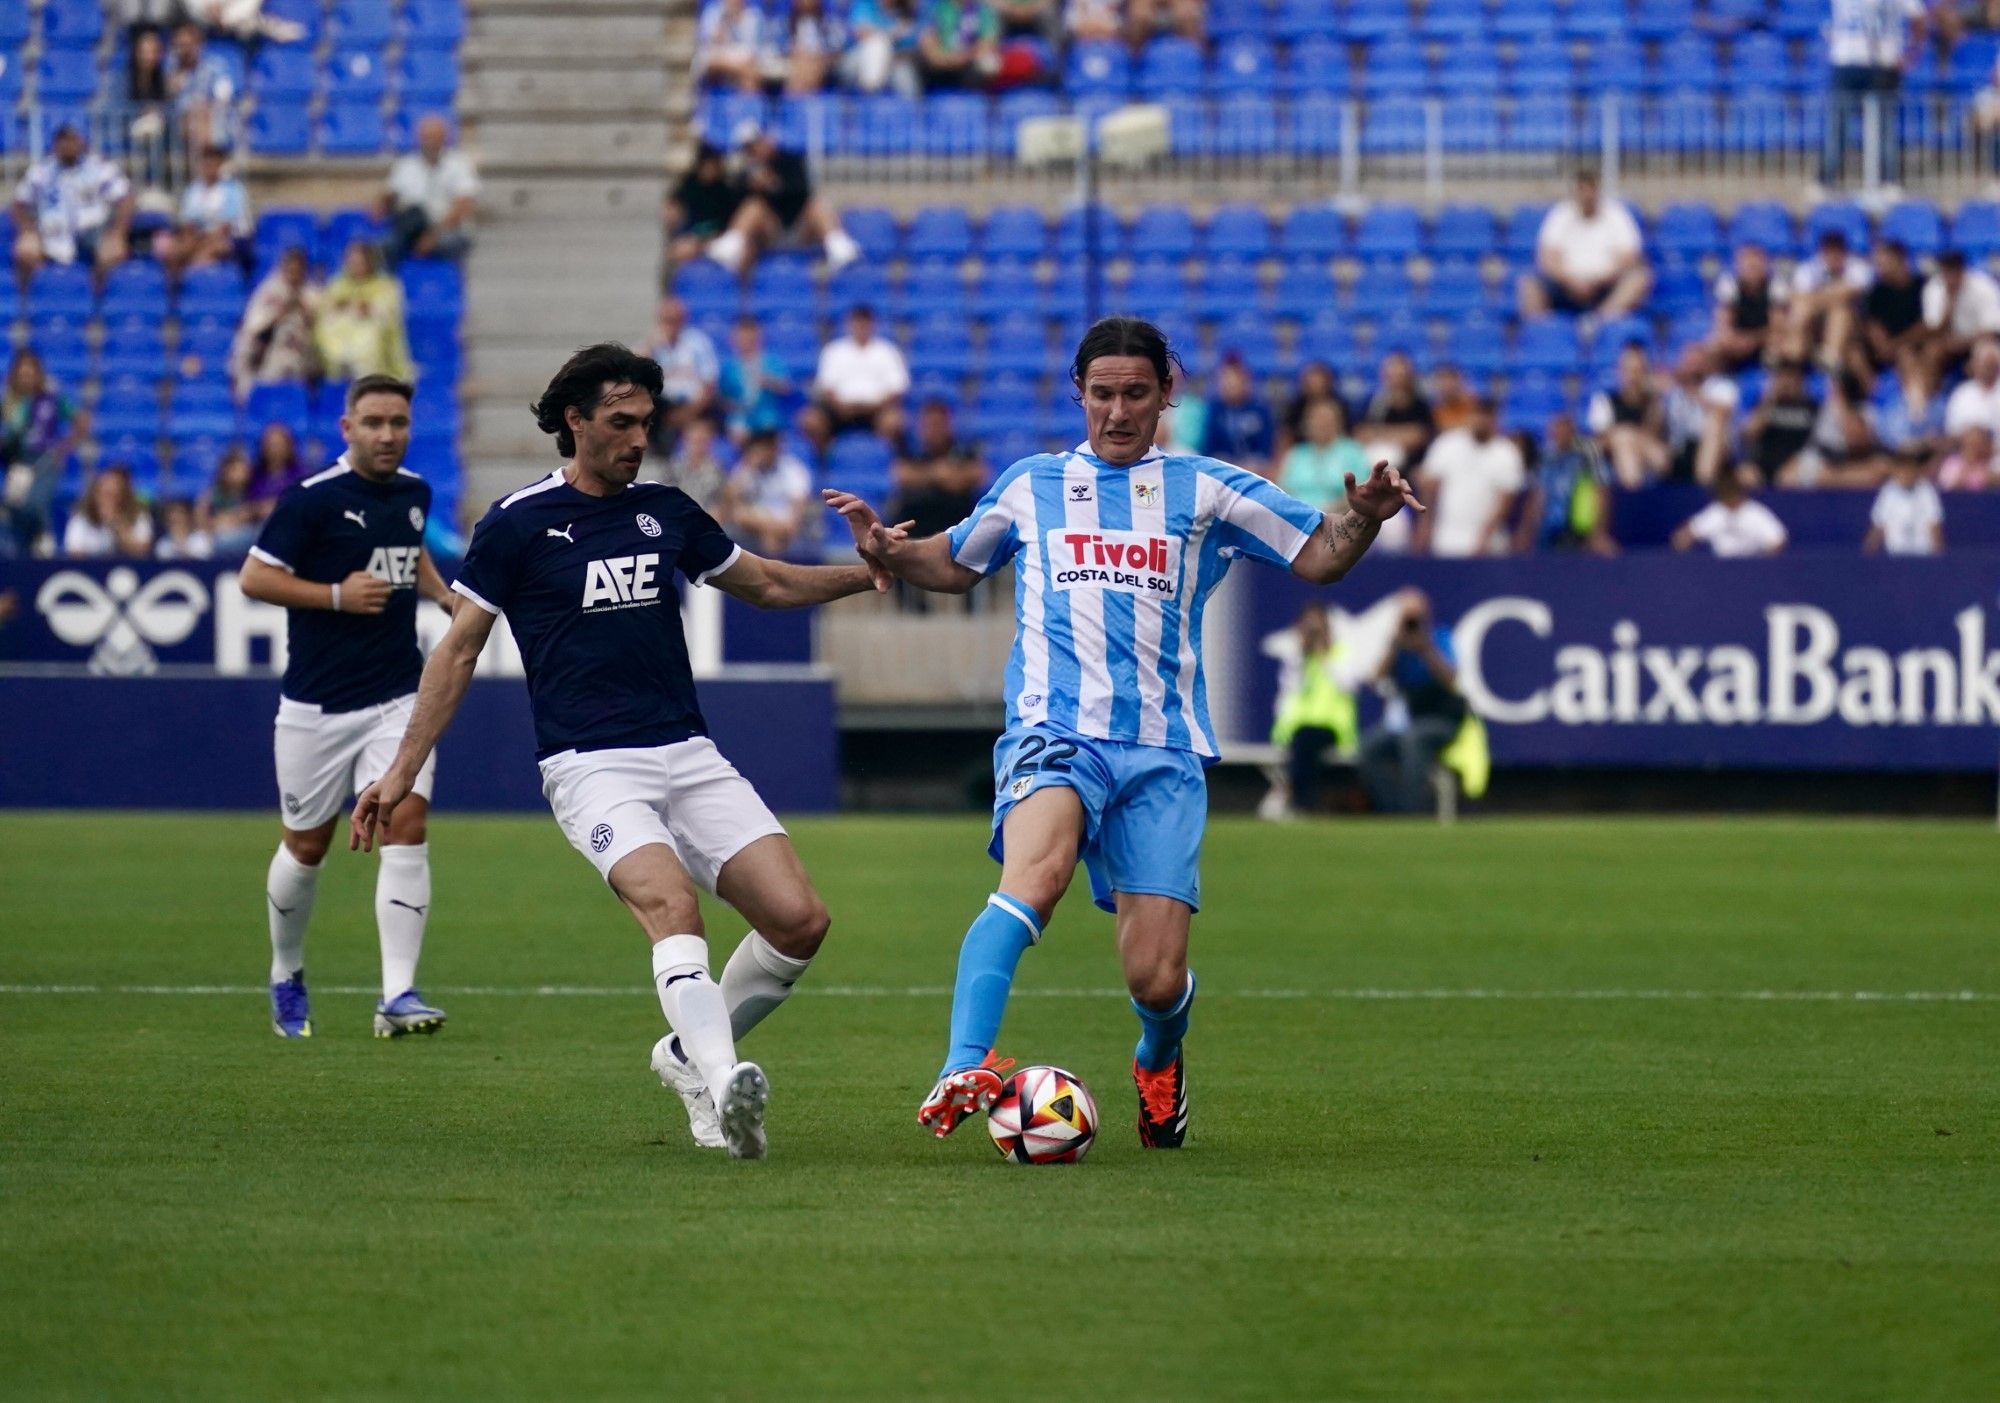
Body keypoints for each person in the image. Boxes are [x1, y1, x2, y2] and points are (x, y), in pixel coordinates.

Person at [823, 315, 1422, 1150]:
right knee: (1037, 872)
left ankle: (1159, 1055)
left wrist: (1364, 518)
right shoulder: (1031, 484)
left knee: (1155, 973)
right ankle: (965, 1060)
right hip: (1052, 729)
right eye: (1101, 394)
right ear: (1079, 394)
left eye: (1135, 393)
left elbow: (1321, 555)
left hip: (1161, 750)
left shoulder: (1209, 489)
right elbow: (955, 563)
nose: (1116, 411)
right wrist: (891, 548)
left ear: (1166, 395)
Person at [350, 343, 895, 1161]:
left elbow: (769, 584)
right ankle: (723, 1086)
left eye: (646, 421)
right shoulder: (516, 524)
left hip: (688, 749)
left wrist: (866, 571)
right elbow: (457, 650)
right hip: (589, 763)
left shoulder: (667, 512)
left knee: (800, 920)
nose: (639, 437)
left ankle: (685, 1058)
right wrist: (399, 771)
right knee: (674, 908)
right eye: (620, 422)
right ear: (575, 422)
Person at [236, 376, 458, 1039]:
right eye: (374, 422)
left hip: (398, 697)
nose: (387, 434)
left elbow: (407, 552)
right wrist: (334, 595)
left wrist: (443, 595)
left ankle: (398, 994)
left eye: (398, 422)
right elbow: (254, 576)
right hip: (317, 706)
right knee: (307, 846)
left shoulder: (415, 493)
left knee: (408, 823)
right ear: (347, 427)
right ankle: (285, 971)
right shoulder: (310, 500)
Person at [1358, 590, 1467, 815]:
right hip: (1409, 719)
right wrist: (1394, 646)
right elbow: (1375, 678)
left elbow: (1451, 679)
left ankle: (1411, 811)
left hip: (1441, 717)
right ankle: (1391, 809)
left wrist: (1426, 649)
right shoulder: (1396, 644)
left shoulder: (1439, 638)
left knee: (1413, 740)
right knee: (1369, 748)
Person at [703, 122, 863, 274]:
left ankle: (838, 248)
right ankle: (731, 246)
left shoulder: (791, 161)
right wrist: (751, 187)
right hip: (770, 231)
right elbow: (734, 203)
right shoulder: (745, 175)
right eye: (748, 149)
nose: (754, 151)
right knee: (754, 206)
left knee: (817, 205)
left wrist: (773, 186)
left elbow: (802, 192)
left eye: (755, 145)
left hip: (800, 228)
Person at [1260, 604, 1358, 820]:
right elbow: (1288, 693)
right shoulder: (1296, 660)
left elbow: (1348, 684)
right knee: (1304, 740)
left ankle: (1299, 801)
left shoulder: (1340, 655)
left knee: (1306, 739)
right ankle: (1300, 800)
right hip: (1297, 732)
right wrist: (1302, 657)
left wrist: (1324, 653)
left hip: (1332, 730)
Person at [1519, 169, 1651, 322]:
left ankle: (1598, 323)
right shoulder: (1560, 214)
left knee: (1639, 278)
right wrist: (1571, 281)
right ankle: (1545, 335)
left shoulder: (1616, 214)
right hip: (1566, 286)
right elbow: (1547, 258)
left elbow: (1629, 257)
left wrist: (1599, 279)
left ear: (1598, 191)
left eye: (1591, 190)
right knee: (1529, 284)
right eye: (1582, 190)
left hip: (1605, 284)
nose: (1587, 196)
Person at [1821, 0, 1925, 189]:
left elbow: (1919, 18)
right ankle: (1827, 178)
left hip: (1882, 62)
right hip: (1849, 61)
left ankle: (1889, 180)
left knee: (1884, 126)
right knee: (1839, 125)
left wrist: (1911, 54)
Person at [11, 125, 135, 281]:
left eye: (72, 140)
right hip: (51, 236)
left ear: (81, 142)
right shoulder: (42, 171)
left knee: (111, 252)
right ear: (55, 144)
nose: (67, 146)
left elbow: (125, 199)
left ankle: (98, 302)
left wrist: (117, 233)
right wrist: (27, 230)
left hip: (93, 235)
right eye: (63, 141)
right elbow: (19, 202)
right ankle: (33, 301)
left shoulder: (100, 168)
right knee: (25, 250)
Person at [1413, 394, 1525, 557]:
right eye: (1477, 414)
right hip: (1446, 538)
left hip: (1489, 545)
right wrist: (1424, 526)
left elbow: (1505, 501)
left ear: (1494, 419)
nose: (1481, 420)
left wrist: (1484, 537)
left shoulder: (1507, 452)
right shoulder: (1447, 444)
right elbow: (1430, 487)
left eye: (1486, 415)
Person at [0, 350, 79, 558]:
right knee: (15, 509)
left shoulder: (51, 398)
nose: (26, 378)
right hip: (16, 463)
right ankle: (24, 555)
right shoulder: (7, 400)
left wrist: (64, 448)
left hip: (45, 460)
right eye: (22, 374)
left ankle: (43, 541)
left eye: (30, 373)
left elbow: (79, 419)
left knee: (35, 504)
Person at [381, 114, 478, 264]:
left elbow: (462, 207)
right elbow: (389, 198)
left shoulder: (459, 164)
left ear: (444, 138)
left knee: (448, 244)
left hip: (447, 230)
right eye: (426, 137)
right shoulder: (405, 165)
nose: (430, 142)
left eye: (434, 137)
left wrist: (433, 236)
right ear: (418, 138)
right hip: (411, 228)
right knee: (385, 246)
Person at [316, 240, 415, 385]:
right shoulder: (337, 283)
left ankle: (369, 380)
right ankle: (340, 373)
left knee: (370, 333)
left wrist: (364, 308)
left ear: (370, 262)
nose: (355, 267)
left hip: (374, 334)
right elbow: (327, 308)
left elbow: (387, 311)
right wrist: (344, 307)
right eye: (352, 262)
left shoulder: (386, 285)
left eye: (360, 263)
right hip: (343, 335)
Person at [886, 397, 984, 538]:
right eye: (929, 424)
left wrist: (923, 477)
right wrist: (937, 473)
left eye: (939, 424)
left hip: (956, 527)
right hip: (916, 527)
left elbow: (977, 473)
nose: (934, 429)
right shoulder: (910, 450)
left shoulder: (964, 449)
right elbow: (901, 475)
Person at [1519, 411, 1615, 554]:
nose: (1559, 433)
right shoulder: (1546, 459)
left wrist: (1598, 532)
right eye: (1556, 429)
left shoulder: (1587, 456)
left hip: (1578, 527)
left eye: (1563, 429)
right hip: (1549, 529)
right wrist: (1526, 531)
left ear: (1572, 431)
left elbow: (1601, 492)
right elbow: (1538, 495)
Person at [810, 304, 909, 441]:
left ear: (873, 324)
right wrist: (840, 407)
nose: (861, 327)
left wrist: (875, 406)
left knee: (894, 422)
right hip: (839, 410)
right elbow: (826, 386)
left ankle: (886, 459)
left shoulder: (887, 350)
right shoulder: (833, 350)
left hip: (877, 410)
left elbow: (898, 388)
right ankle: (823, 460)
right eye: (857, 322)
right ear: (849, 324)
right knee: (812, 420)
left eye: (865, 323)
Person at [231, 246, 321, 397]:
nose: (293, 274)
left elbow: (321, 328)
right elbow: (253, 325)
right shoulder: (269, 290)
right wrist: (276, 316)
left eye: (297, 270)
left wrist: (304, 313)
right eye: (289, 270)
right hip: (268, 352)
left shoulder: (312, 293)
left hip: (302, 355)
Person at [1587, 342, 1669, 488]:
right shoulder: (1605, 401)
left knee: (1627, 437)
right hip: (1617, 459)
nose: (1632, 377)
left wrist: (1655, 400)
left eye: (1638, 371)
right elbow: (1599, 442)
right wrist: (1624, 435)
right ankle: (1634, 494)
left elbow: (1656, 437)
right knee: (1624, 440)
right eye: (1628, 370)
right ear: (1619, 371)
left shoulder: (1654, 402)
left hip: (1653, 457)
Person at [1787, 229, 1872, 368]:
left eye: (1837, 251)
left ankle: (1830, 357)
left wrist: (1815, 299)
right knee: (1801, 309)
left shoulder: (1859, 267)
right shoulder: (1808, 268)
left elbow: (1847, 293)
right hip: (1814, 324)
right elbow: (1797, 297)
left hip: (1856, 327)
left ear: (1845, 252)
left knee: (1840, 309)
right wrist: (1827, 298)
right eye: (1829, 251)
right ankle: (1790, 357)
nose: (1833, 256)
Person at [724, 429, 815, 554]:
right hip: (755, 522)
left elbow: (797, 508)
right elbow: (729, 499)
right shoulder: (747, 467)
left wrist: (786, 526)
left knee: (771, 539)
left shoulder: (793, 468)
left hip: (784, 521)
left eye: (769, 446)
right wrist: (748, 467)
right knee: (740, 514)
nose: (764, 451)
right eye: (761, 447)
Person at [1854, 238, 1929, 390]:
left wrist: (1895, 344)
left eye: (1882, 263)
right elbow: (1872, 325)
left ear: (1899, 260)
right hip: (1885, 350)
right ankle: (1876, 397)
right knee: (1854, 353)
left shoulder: (1924, 287)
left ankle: (1916, 406)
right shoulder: (1876, 292)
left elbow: (1926, 326)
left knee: (1906, 354)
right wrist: (1881, 344)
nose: (1878, 268)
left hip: (1915, 345)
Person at [166, 144, 251, 275]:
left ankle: (197, 287)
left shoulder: (233, 189)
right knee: (175, 252)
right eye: (205, 163)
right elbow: (188, 223)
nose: (208, 167)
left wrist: (202, 242)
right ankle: (172, 291)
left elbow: (226, 226)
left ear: (220, 165)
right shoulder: (193, 190)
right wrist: (192, 239)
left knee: (204, 255)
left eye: (213, 164)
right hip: (200, 237)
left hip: (230, 238)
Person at [1662, 344, 1740, 484]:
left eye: (1697, 362)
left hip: (1713, 449)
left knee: (1714, 424)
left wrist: (1692, 391)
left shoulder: (1721, 386)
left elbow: (1723, 412)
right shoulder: (1674, 392)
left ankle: (1703, 487)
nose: (1693, 367)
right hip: (1679, 448)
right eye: (1689, 362)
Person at [648, 295, 721, 440]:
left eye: (675, 320)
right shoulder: (653, 344)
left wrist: (687, 413)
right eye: (667, 320)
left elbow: (710, 385)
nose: (671, 325)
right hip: (663, 407)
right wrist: (651, 347)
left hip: (695, 406)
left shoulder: (698, 343)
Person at [1922, 249, 2000, 385]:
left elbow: (1992, 331)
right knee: (1931, 351)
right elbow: (1934, 330)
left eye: (1954, 271)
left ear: (1962, 270)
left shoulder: (1984, 286)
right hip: (1948, 343)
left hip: (1978, 340)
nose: (1950, 277)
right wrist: (1949, 304)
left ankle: (1982, 397)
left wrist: (1961, 343)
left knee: (1984, 352)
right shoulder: (1934, 288)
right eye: (1947, 272)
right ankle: (1931, 400)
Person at [1740, 360, 1821, 486]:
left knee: (1790, 478)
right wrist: (1769, 400)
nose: (1786, 383)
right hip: (1763, 464)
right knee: (1745, 475)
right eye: (1782, 377)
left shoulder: (1813, 408)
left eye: (1791, 377)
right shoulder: (1764, 405)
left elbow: (1818, 442)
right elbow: (1750, 433)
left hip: (1796, 464)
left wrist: (1801, 461)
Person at [1278, 397, 1366, 510]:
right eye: (1316, 420)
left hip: (1340, 516)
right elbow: (1282, 491)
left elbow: (1360, 493)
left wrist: (1328, 510)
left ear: (1338, 423)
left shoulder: (1353, 451)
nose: (1321, 425)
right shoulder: (1296, 454)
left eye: (1326, 420)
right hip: (1298, 517)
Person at [1709, 243, 1785, 371]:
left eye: (1756, 265)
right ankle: (1721, 380)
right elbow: (1723, 324)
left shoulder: (1776, 285)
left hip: (1765, 338)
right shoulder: (1728, 284)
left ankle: (1772, 379)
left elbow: (1778, 326)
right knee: (1715, 344)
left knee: (1782, 343)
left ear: (1765, 265)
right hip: (1738, 339)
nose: (1752, 269)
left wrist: (1753, 340)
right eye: (1748, 265)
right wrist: (1737, 340)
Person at [1672, 473, 1788, 557]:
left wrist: (1761, 563)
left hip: (1751, 569)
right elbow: (1685, 535)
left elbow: (1778, 540)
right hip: (1720, 569)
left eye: (1730, 492)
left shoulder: (1756, 513)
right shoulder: (1716, 511)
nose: (1728, 497)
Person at [166, 20, 240, 152]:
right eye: (179, 46)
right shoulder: (170, 68)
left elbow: (224, 96)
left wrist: (202, 108)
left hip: (209, 123)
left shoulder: (215, 67)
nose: (184, 51)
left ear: (199, 45)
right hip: (178, 128)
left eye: (188, 46)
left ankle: (211, 161)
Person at [1198, 353, 1277, 475]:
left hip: (1255, 470)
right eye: (1225, 379)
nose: (1229, 384)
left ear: (1245, 380)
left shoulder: (1260, 410)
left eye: (1234, 379)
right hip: (1221, 469)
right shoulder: (1214, 410)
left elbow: (1267, 450)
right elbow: (1208, 448)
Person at [718, 314, 793, 441]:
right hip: (739, 417)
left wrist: (768, 381)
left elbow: (786, 388)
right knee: (737, 430)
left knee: (768, 430)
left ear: (758, 338)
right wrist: (732, 405)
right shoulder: (728, 367)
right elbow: (722, 398)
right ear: (734, 339)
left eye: (750, 337)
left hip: (767, 416)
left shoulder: (771, 362)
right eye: (742, 337)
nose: (746, 341)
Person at [667, 143, 744, 266]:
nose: (710, 168)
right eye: (707, 164)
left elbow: (728, 228)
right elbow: (675, 214)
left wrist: (705, 241)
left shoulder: (725, 191)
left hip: (715, 241)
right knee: (679, 250)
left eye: (714, 164)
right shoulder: (688, 187)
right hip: (690, 239)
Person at [1355, 350, 1435, 466]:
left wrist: (1378, 434)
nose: (1396, 379)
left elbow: (1418, 437)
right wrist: (1400, 434)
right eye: (1392, 373)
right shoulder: (1373, 402)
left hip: (1412, 464)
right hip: (1376, 457)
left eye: (1400, 374)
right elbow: (1361, 434)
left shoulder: (1420, 404)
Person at [62, 465, 154, 558]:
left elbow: (143, 550)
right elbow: (74, 555)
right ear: (95, 495)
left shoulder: (138, 515)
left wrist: (117, 526)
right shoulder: (81, 519)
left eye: (114, 495)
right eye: (105, 494)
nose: (108, 501)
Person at [1864, 449, 1944, 554]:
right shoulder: (1888, 491)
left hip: (1923, 555)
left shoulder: (1927, 491)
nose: (1906, 474)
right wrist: (1868, 553)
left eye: (1910, 470)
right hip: (1895, 556)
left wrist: (1938, 556)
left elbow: (1934, 524)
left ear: (1916, 471)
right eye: (1903, 470)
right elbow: (1879, 524)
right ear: (1896, 472)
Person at [650, 415, 731, 517]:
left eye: (704, 436)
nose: (699, 438)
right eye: (695, 435)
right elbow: (664, 498)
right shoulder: (672, 468)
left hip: (708, 520)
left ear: (710, 439)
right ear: (686, 437)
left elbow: (723, 503)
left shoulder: (718, 469)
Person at [199, 444, 270, 554]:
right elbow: (204, 521)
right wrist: (234, 517)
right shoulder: (213, 494)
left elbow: (261, 511)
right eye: (238, 469)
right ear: (226, 471)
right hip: (221, 536)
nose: (244, 472)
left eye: (245, 468)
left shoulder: (255, 490)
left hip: (248, 536)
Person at [917, 0, 1000, 90]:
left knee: (989, 63)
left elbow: (988, 43)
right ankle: (916, 100)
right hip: (939, 65)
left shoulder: (983, 10)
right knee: (913, 62)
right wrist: (945, 59)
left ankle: (982, 97)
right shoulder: (934, 8)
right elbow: (928, 45)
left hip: (967, 65)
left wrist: (962, 58)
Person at [766, 0, 845, 93]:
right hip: (792, 61)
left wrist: (817, 58)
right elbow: (778, 47)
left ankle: (801, 101)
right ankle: (797, 101)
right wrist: (796, 55)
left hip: (820, 62)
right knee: (800, 71)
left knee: (809, 68)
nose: (806, 2)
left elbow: (837, 49)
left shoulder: (829, 22)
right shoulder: (784, 21)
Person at [696, 0, 768, 91]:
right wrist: (726, 21)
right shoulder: (712, 12)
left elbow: (752, 52)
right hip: (716, 60)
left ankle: (747, 103)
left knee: (750, 71)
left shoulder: (753, 16)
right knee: (747, 69)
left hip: (742, 60)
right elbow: (707, 48)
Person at [1943, 335, 2000, 437]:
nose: (1987, 369)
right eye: (1983, 364)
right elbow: (1952, 433)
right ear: (1973, 365)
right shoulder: (1961, 394)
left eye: (1990, 364)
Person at [1937, 422, 1997, 489]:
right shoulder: (1952, 463)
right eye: (1972, 445)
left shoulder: (1993, 462)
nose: (1976, 449)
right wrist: (1967, 464)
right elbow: (1948, 489)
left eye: (1979, 444)